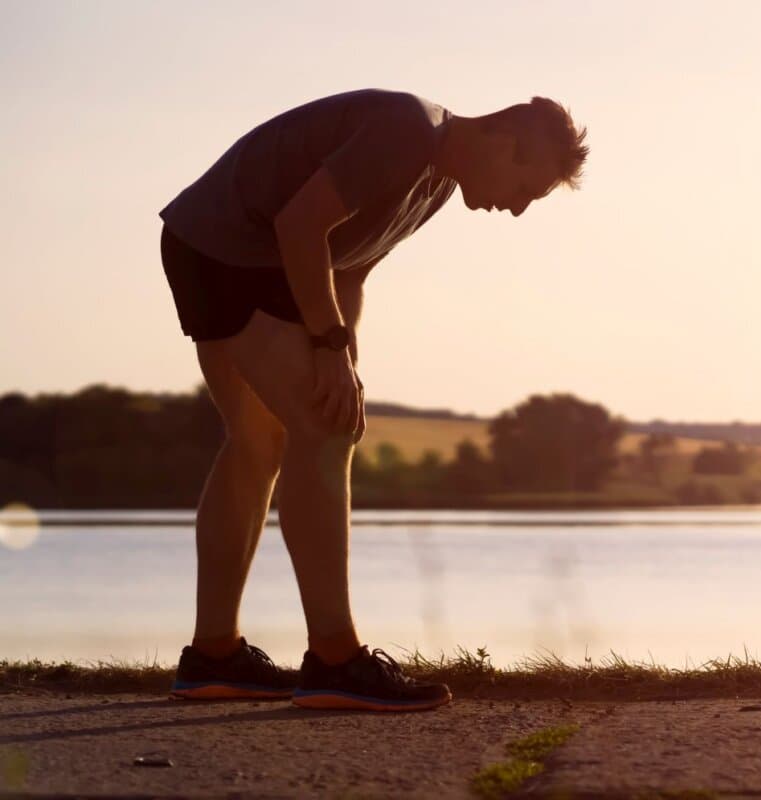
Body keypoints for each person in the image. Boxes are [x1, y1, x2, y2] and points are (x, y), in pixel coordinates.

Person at [157, 89, 588, 711]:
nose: (519, 210)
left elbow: (348, 268)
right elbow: (300, 226)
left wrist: (345, 360)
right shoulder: (408, 132)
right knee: (324, 430)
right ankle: (336, 659)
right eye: (528, 188)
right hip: (232, 250)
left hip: (228, 250)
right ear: (501, 139)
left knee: (260, 439)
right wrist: (327, 350)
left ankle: (213, 657)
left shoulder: (435, 182)